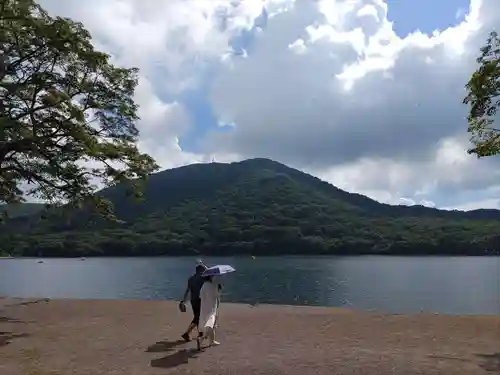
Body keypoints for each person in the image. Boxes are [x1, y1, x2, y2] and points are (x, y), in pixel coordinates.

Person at [180, 263, 207, 342]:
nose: (205, 271)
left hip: (193, 301)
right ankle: (188, 333)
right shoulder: (203, 278)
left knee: (197, 317)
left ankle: (199, 333)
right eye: (204, 269)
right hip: (200, 300)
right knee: (198, 317)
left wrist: (183, 300)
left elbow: (187, 290)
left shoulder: (191, 278)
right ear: (201, 270)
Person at [197, 275, 222, 350]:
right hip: (212, 307)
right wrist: (218, 289)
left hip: (204, 307)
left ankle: (212, 341)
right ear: (211, 277)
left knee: (211, 324)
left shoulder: (204, 285)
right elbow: (217, 296)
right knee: (210, 324)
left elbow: (200, 296)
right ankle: (201, 339)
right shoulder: (213, 285)